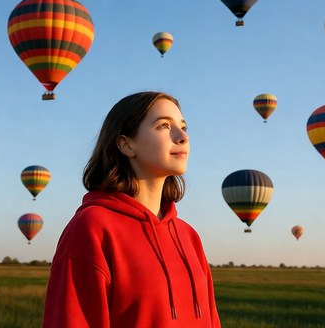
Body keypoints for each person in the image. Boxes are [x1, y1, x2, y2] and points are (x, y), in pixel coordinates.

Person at [42, 91, 221, 328]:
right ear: (126, 144)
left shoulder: (188, 235)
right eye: (164, 126)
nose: (182, 137)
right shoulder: (92, 226)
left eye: (183, 127)